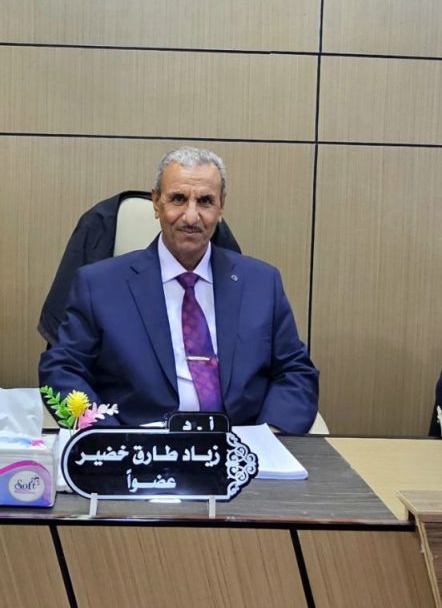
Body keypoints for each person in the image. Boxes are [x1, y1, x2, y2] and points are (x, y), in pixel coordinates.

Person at [39, 147, 319, 432]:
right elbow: (62, 370)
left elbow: (295, 371)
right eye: (178, 199)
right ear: (156, 202)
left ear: (221, 207)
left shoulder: (261, 283)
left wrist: (271, 434)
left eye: (205, 201)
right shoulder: (99, 285)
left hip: (240, 444)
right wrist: (104, 435)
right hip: (138, 444)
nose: (191, 216)